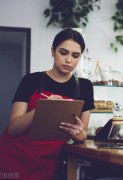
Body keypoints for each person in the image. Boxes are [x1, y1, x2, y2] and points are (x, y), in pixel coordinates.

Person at [0, 28, 95, 180]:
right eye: (63, 52)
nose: (69, 60)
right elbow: (13, 129)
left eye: (75, 55)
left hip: (50, 161)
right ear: (53, 51)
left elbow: (82, 133)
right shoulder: (31, 80)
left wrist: (78, 133)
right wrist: (42, 108)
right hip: (16, 157)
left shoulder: (84, 87)